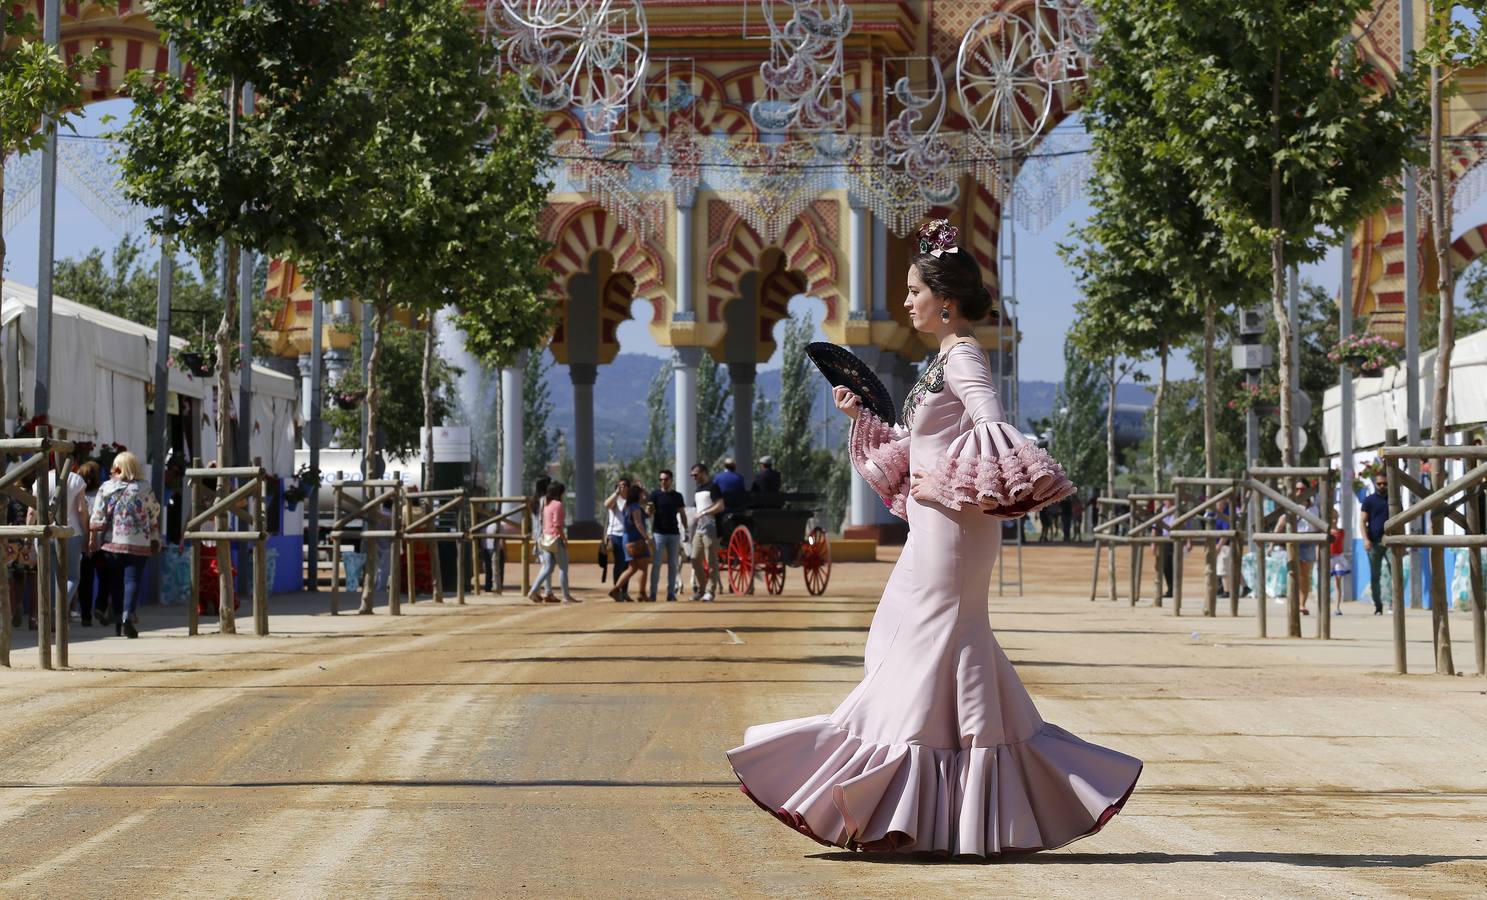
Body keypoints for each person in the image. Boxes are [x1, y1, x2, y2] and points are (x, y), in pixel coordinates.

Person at [727, 218, 1140, 856]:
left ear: (945, 300)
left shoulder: (964, 354)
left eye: (914, 290)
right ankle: (967, 806)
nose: (907, 301)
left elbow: (989, 420)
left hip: (952, 530)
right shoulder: (940, 358)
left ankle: (908, 802)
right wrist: (864, 416)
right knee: (926, 646)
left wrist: (969, 477)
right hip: (935, 526)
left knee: (931, 651)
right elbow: (923, 443)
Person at [88, 452, 161, 639]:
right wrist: (155, 537)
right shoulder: (144, 488)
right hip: (139, 542)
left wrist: (92, 539)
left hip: (113, 543)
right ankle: (128, 615)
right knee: (132, 580)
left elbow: (97, 516)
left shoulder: (107, 487)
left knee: (115, 583)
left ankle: (119, 620)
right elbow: (153, 514)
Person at [529, 482, 577, 604]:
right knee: (563, 568)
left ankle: (533, 590)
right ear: (559, 492)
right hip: (556, 539)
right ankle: (566, 596)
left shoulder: (547, 505)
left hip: (545, 539)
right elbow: (557, 525)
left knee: (547, 567)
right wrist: (565, 539)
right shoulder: (558, 504)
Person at [649, 470, 688, 602]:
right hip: (658, 533)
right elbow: (648, 512)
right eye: (661, 479)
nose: (663, 482)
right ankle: (652, 593)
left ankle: (671, 593)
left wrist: (686, 530)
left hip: (674, 533)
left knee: (673, 564)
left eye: (665, 479)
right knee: (657, 564)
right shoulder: (654, 495)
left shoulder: (677, 496)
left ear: (671, 480)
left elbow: (682, 513)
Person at [610, 484, 651, 602]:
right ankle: (642, 593)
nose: (643, 495)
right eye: (641, 493)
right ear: (637, 495)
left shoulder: (627, 507)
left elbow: (640, 518)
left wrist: (648, 513)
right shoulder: (635, 507)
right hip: (636, 540)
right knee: (643, 567)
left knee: (631, 568)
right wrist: (646, 537)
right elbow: (638, 523)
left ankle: (616, 589)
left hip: (627, 540)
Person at [689, 463, 724, 602]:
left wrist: (704, 512)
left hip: (711, 527)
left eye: (695, 474)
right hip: (699, 528)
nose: (694, 477)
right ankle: (701, 589)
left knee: (711, 560)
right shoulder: (698, 490)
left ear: (703, 473)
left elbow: (720, 506)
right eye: (692, 475)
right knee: (694, 558)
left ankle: (710, 591)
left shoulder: (713, 487)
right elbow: (694, 509)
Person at [76, 461, 103, 625]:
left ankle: (86, 614)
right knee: (104, 577)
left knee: (85, 580)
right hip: (100, 543)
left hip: (82, 542)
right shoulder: (102, 493)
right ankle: (101, 605)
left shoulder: (78, 495)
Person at [1360, 470, 1390, 615]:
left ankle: (1393, 603)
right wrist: (1365, 539)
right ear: (1375, 484)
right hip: (1373, 542)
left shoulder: (1393, 500)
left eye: (1385, 483)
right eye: (1379, 483)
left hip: (1391, 542)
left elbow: (1401, 520)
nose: (1382, 486)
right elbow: (1363, 521)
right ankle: (1378, 605)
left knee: (1396, 573)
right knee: (1375, 576)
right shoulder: (1369, 500)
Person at [1293, 478, 1318, 616]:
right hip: (1295, 541)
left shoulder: (1314, 508)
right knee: (1294, 574)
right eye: (1297, 489)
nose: (1299, 492)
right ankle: (1295, 603)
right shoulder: (1292, 506)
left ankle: (1302, 604)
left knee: (1304, 575)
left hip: (1309, 541)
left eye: (1302, 489)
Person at [603, 477, 630, 596]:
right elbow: (606, 504)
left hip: (628, 535)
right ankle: (617, 589)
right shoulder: (615, 499)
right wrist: (616, 493)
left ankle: (624, 591)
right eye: (619, 485)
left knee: (628, 565)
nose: (622, 487)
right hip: (615, 535)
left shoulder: (630, 500)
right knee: (619, 563)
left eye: (624, 485)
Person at [1328, 506, 1349, 616]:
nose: (1334, 520)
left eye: (1336, 517)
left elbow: (1341, 545)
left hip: (1339, 557)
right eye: (1332, 518)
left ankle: (1337, 607)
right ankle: (1325, 604)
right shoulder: (1326, 532)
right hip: (1329, 558)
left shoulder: (1341, 532)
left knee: (1338, 583)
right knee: (1326, 583)